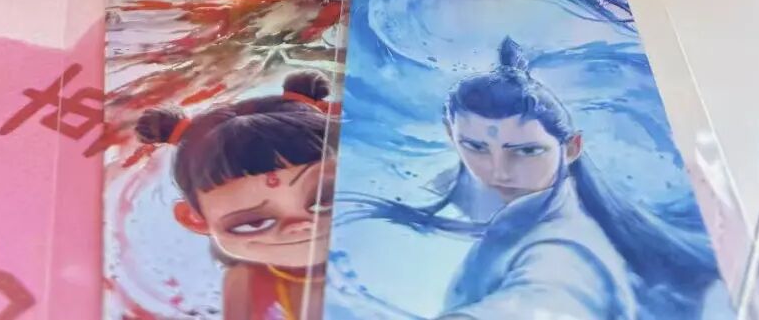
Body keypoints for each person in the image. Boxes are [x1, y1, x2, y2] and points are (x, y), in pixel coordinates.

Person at [366, 38, 719, 319]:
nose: (498, 171)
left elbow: (550, 295)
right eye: (474, 146)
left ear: (572, 147)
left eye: (527, 151)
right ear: (450, 135)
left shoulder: (566, 248)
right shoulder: (495, 194)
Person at [135, 71, 335, 320]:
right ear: (195, 219)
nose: (300, 227)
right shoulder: (247, 282)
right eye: (254, 222)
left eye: (326, 201)